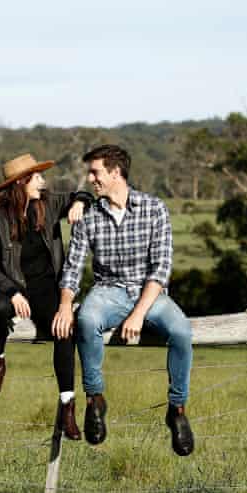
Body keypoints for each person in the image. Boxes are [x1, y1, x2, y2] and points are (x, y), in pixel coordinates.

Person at [52, 144, 194, 456]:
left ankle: (177, 410)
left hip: (150, 293)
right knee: (87, 320)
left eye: (95, 172)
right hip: (108, 291)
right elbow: (73, 268)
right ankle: (95, 400)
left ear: (116, 172)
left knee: (182, 332)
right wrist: (65, 305)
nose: (91, 179)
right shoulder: (89, 217)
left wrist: (138, 315)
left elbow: (161, 269)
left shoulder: (154, 209)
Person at [0, 153, 92, 439]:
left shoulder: (48, 203)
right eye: (37, 177)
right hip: (5, 284)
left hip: (44, 285)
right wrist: (13, 291)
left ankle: (67, 404)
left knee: (64, 327)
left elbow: (82, 195)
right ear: (21, 183)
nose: (43, 181)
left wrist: (79, 202)